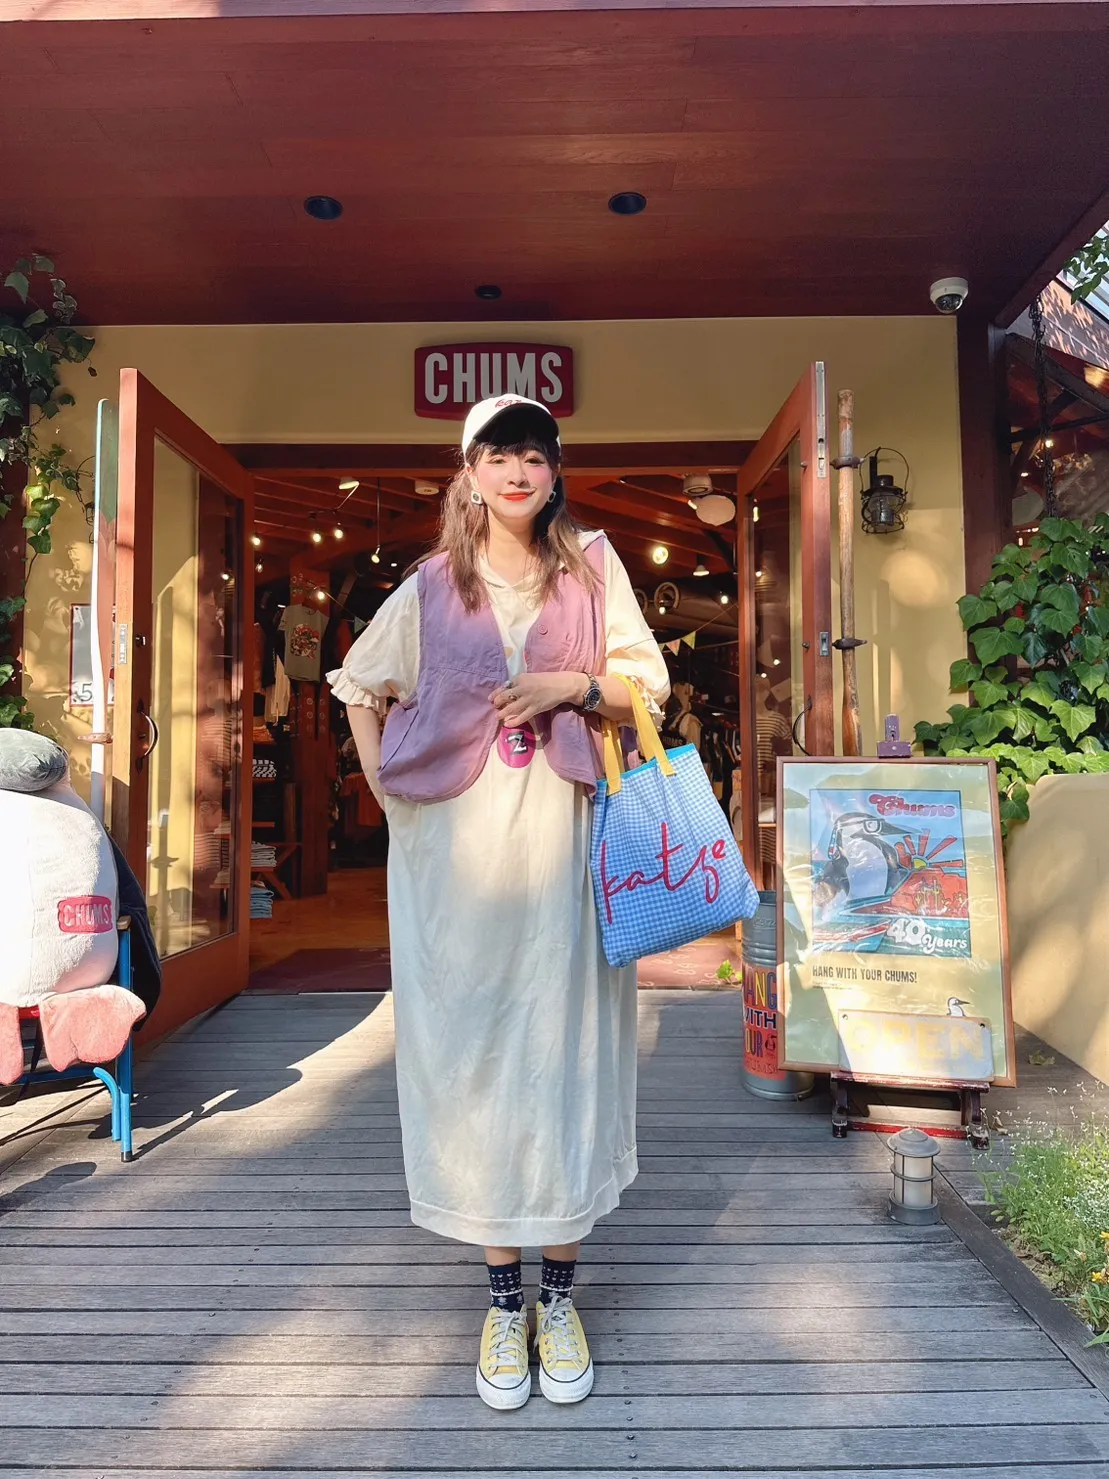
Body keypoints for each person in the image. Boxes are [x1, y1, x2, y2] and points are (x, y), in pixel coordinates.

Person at [326, 395, 669, 1412]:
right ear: (468, 472)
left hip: (566, 846)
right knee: (474, 1055)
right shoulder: (432, 583)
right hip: (456, 859)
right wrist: (392, 802)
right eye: (498, 455)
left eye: (533, 455)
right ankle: (501, 1297)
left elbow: (644, 690)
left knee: (564, 1052)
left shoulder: (593, 567)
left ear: (554, 472)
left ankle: (558, 1299)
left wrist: (571, 685)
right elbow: (359, 687)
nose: (517, 472)